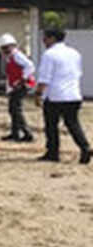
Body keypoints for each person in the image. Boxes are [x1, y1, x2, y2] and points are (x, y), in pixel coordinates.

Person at [34, 29, 90, 164]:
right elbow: (78, 72)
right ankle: (85, 147)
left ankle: (53, 152)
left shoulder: (49, 55)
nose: (44, 41)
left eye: (46, 38)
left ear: (52, 38)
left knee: (51, 125)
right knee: (73, 124)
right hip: (73, 94)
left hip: (55, 96)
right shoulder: (74, 53)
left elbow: (44, 78)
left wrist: (38, 94)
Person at [0, 33, 35, 142]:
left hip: (22, 85)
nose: (5, 50)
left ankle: (27, 134)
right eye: (3, 48)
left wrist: (23, 79)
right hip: (16, 86)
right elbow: (11, 75)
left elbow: (30, 66)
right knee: (13, 109)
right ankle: (15, 133)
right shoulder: (10, 57)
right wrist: (9, 89)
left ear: (12, 46)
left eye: (6, 47)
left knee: (16, 110)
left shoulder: (17, 55)